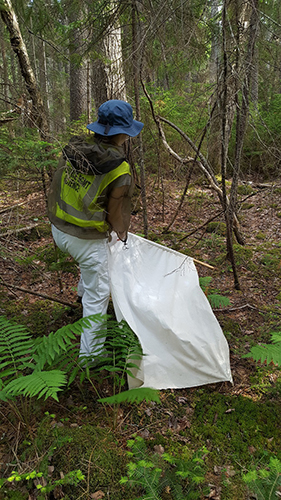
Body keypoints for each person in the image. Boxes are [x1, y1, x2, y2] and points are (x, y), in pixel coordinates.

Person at [48, 99, 144, 359]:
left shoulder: (75, 150)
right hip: (86, 241)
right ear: (122, 133)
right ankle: (91, 356)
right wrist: (122, 233)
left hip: (59, 230)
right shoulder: (119, 169)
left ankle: (79, 296)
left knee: (91, 269)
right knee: (98, 294)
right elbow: (116, 214)